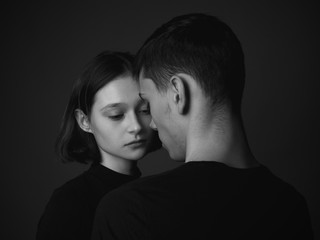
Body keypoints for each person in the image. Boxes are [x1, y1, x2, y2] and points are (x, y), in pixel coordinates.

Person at [91, 14, 313, 240]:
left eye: (147, 104)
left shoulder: (130, 210)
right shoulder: (291, 204)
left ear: (178, 93)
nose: (152, 124)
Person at [36, 51, 160, 240]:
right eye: (116, 115)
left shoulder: (156, 194)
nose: (135, 126)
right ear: (84, 121)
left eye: (144, 110)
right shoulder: (70, 202)